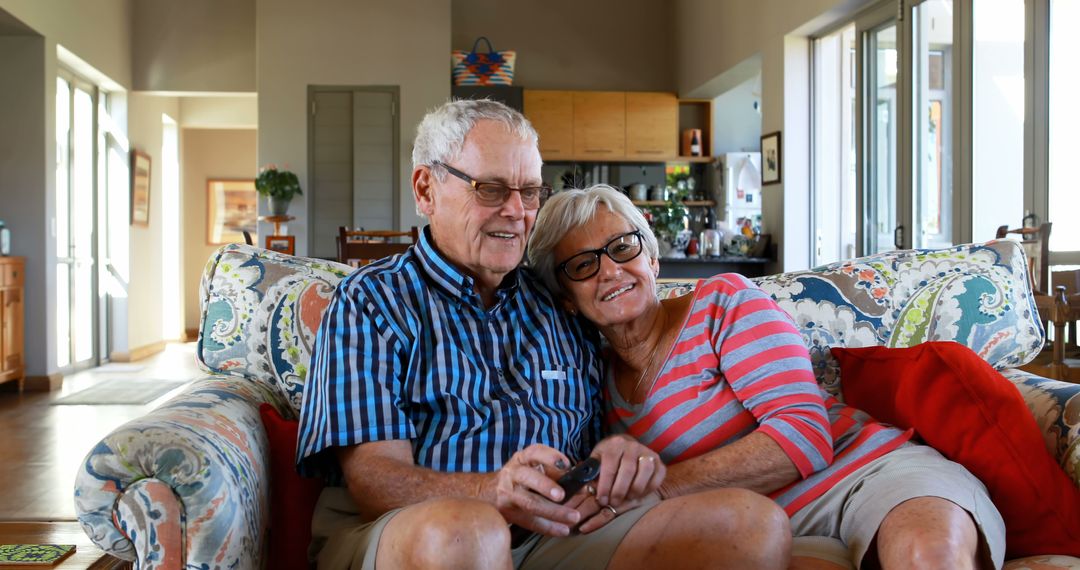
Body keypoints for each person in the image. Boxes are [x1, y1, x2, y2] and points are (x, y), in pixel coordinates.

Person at [295, 100, 791, 570]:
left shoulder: (562, 301)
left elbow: (605, 432)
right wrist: (493, 493)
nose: (517, 211)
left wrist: (616, 457)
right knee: (470, 531)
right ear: (426, 190)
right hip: (410, 531)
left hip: (555, 532)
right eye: (490, 189)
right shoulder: (372, 301)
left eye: (529, 191)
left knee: (749, 525)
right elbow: (374, 482)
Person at [526, 184, 1007, 570]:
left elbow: (804, 434)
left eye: (622, 247)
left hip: (866, 475)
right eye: (584, 264)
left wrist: (659, 488)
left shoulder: (723, 303)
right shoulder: (588, 378)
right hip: (762, 527)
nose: (610, 270)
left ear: (651, 259)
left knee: (927, 556)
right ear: (567, 297)